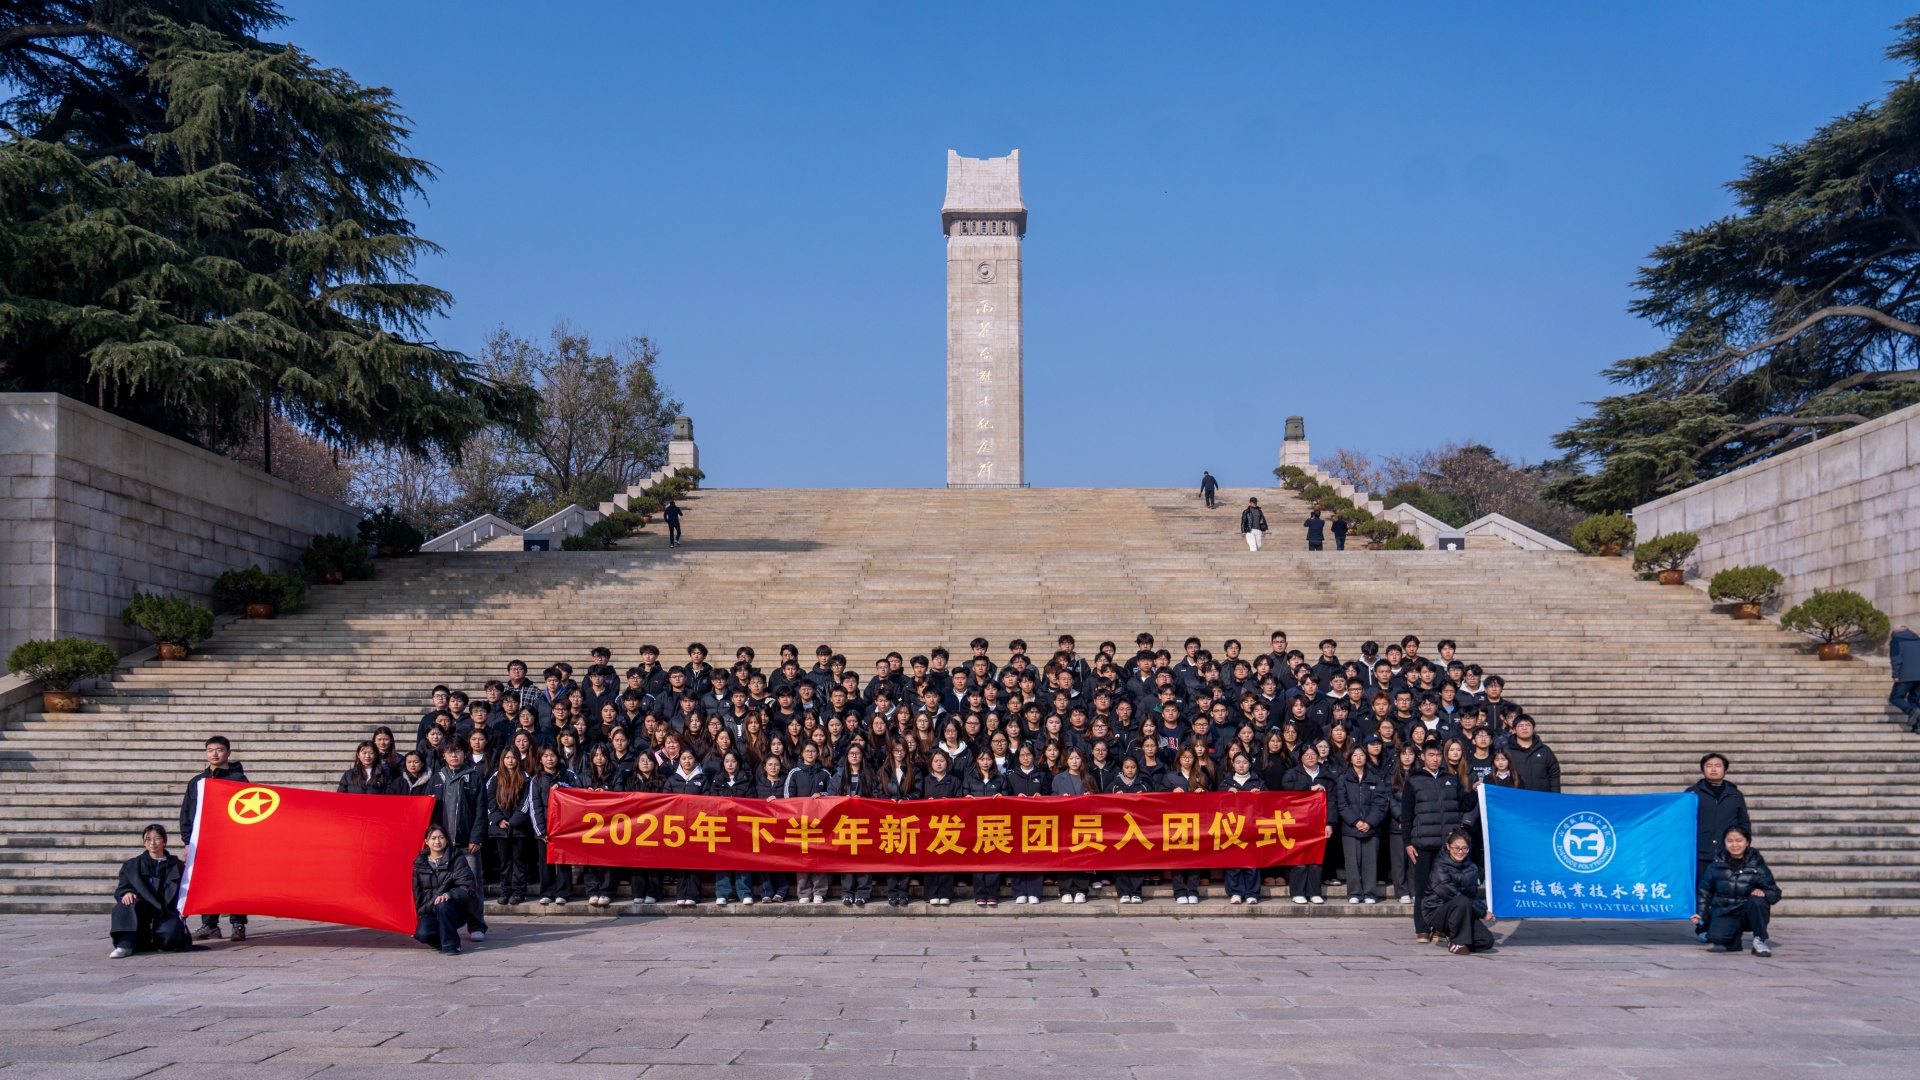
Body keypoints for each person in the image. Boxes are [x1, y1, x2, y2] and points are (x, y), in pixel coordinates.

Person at [180, 735, 248, 942]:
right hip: (204, 841)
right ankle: (210, 925)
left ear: (228, 752)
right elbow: (187, 812)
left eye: (219, 750)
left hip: (230, 840)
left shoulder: (238, 780)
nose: (214, 754)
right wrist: (187, 841)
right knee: (206, 882)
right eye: (210, 750)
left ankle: (238, 925)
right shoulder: (197, 782)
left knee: (235, 881)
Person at [1404, 742, 1472, 942]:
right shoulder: (1414, 781)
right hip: (1423, 844)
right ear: (1423, 756)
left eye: (1438, 755)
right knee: (1423, 887)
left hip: (1447, 845)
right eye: (1431, 755)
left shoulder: (1451, 779)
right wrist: (1408, 842)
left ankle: (1442, 928)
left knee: (1446, 887)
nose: (1435, 759)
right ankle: (1423, 929)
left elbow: (1465, 804)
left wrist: (1476, 792)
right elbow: (1407, 815)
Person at [1688, 752, 1752, 937]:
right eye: (1709, 766)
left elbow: (1743, 822)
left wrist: (1741, 845)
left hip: (1727, 852)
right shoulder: (1692, 794)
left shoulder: (1734, 794)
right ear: (1703, 769)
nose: (1713, 769)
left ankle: (1723, 927)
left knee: (1725, 891)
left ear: (1725, 769)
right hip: (1701, 850)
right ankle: (1703, 927)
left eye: (1718, 766)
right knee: (1702, 892)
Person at [1694, 826, 1780, 956]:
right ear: (1724, 842)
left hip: (1748, 911)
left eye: (1739, 840)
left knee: (1758, 900)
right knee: (1716, 938)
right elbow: (1704, 891)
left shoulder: (1757, 864)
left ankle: (1760, 939)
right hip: (1726, 910)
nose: (1734, 845)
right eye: (1730, 841)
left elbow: (1775, 892)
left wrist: (1764, 893)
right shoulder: (1716, 865)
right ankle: (1733, 938)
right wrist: (1700, 914)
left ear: (1747, 842)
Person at [110, 824, 188, 958]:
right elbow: (122, 887)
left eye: (157, 838)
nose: (152, 843)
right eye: (148, 839)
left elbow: (186, 890)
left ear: (164, 841)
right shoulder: (133, 865)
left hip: (166, 911)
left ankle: (159, 941)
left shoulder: (177, 866)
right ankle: (124, 944)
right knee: (126, 902)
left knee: (172, 933)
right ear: (144, 843)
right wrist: (126, 892)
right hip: (142, 910)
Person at [1425, 829, 1496, 955]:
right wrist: (1481, 912)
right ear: (1448, 846)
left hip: (1463, 910)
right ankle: (1456, 941)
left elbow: (1472, 896)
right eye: (1456, 848)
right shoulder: (1439, 866)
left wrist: (1485, 911)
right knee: (1461, 900)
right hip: (1438, 911)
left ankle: (1455, 936)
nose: (1460, 852)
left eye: (1464, 848)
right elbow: (1451, 893)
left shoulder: (1472, 867)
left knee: (1486, 941)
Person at [1332, 743, 1387, 905]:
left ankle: (1370, 893)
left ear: (1366, 757)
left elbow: (1381, 803)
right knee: (1352, 863)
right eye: (1355, 755)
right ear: (1350, 758)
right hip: (1350, 828)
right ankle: (1354, 892)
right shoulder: (1343, 779)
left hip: (1371, 828)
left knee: (1370, 862)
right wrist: (1355, 821)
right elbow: (1342, 804)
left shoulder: (1375, 778)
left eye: (1361, 755)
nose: (1358, 758)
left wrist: (1369, 822)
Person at [413, 824, 478, 955]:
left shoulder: (457, 859)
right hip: (429, 910)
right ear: (426, 841)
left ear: (447, 840)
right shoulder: (419, 863)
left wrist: (449, 895)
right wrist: (416, 917)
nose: (437, 842)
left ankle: (452, 945)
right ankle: (443, 941)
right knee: (422, 934)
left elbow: (468, 887)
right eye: (433, 838)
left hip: (454, 909)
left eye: (441, 837)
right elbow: (416, 892)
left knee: (443, 905)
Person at [1281, 745, 1334, 903]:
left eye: (1313, 754)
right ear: (1300, 758)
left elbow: (1332, 801)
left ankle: (1314, 892)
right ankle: (1298, 892)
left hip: (1319, 823)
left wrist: (1329, 823)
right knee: (1299, 858)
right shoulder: (1292, 773)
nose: (1310, 757)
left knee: (1316, 858)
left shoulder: (1327, 775)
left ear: (1318, 757)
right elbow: (1286, 788)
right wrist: (1309, 788)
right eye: (1307, 755)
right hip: (1298, 822)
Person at [918, 751, 965, 905]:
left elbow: (960, 802)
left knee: (946, 859)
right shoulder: (925, 781)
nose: (939, 764)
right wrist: (927, 802)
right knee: (930, 859)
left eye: (942, 761)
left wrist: (950, 803)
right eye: (936, 761)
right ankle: (931, 893)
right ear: (930, 763)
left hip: (948, 825)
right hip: (929, 826)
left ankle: (945, 893)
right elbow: (917, 801)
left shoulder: (954, 781)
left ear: (947, 763)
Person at [1507, 716, 1560, 791]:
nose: (1524, 728)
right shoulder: (1506, 751)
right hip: (1514, 795)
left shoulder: (1544, 750)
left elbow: (1554, 775)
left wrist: (1555, 795)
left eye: (1528, 725)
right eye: (1520, 725)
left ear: (1533, 729)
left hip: (1540, 795)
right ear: (1514, 730)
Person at [1892, 624, 1920, 730]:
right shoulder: (1918, 640)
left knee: (1895, 697)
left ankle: (1911, 710)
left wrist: (1895, 674)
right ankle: (1917, 726)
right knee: (1913, 700)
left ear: (1896, 632)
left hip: (1905, 675)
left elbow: (1896, 659)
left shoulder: (1896, 640)